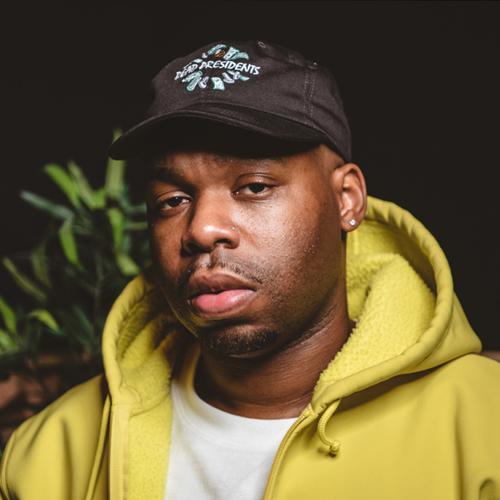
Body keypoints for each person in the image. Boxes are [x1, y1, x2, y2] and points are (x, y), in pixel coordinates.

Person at [1, 40, 499, 500]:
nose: (202, 229)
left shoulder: (483, 424)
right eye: (172, 200)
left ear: (346, 199)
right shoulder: (46, 454)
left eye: (255, 187)